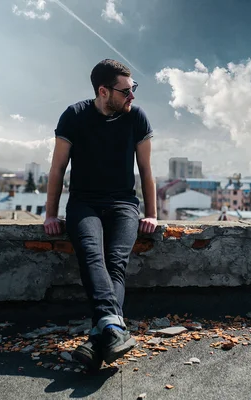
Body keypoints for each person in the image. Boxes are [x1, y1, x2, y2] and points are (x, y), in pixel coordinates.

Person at [43, 59, 158, 370]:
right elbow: (57, 169)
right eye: (126, 91)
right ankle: (112, 329)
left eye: (134, 89)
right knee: (92, 254)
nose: (132, 96)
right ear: (104, 91)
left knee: (116, 261)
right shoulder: (75, 115)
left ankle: (100, 335)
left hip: (124, 204)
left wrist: (152, 213)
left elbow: (146, 171)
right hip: (84, 204)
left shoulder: (137, 118)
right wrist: (51, 215)